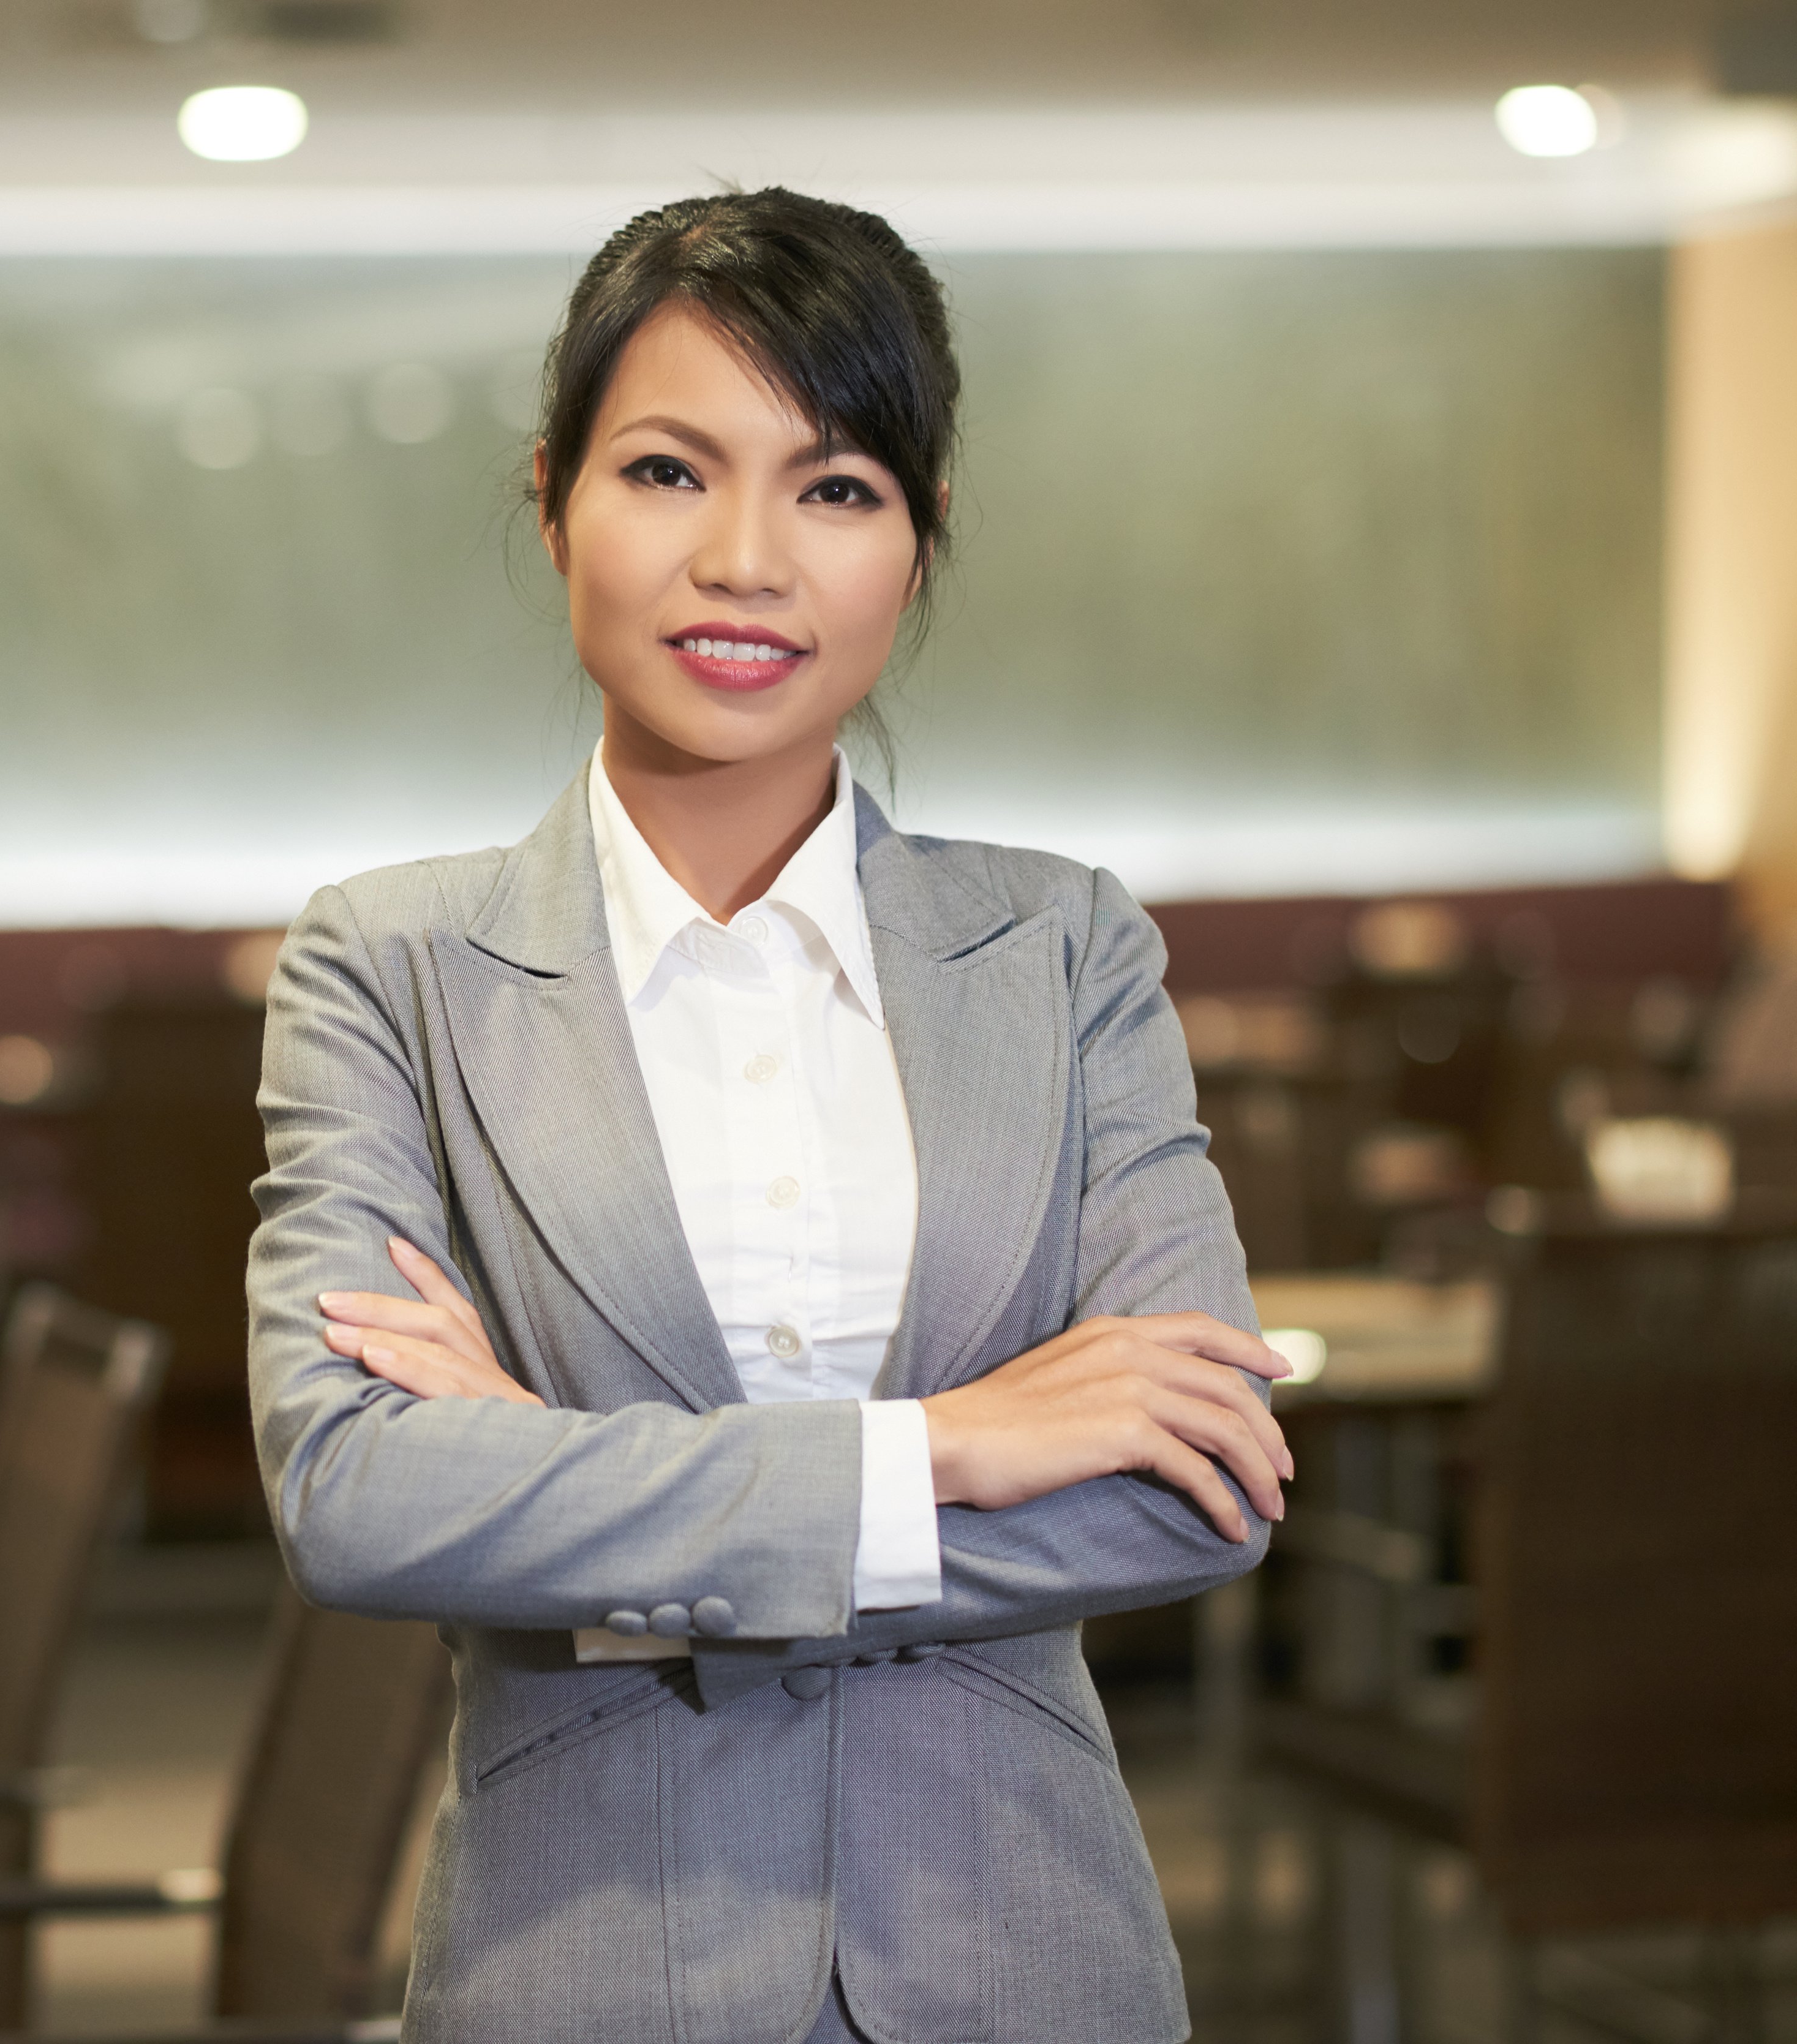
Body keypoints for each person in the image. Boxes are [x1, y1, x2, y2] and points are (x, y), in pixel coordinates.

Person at [244, 186, 1295, 2044]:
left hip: (1026, 1957)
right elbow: (362, 1494)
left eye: (834, 489)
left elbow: (1186, 1492)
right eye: (667, 470)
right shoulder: (389, 965)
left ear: (920, 538)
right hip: (581, 1963)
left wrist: (564, 1490)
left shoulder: (1064, 949)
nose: (746, 558)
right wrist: (950, 1449)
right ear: (553, 494)